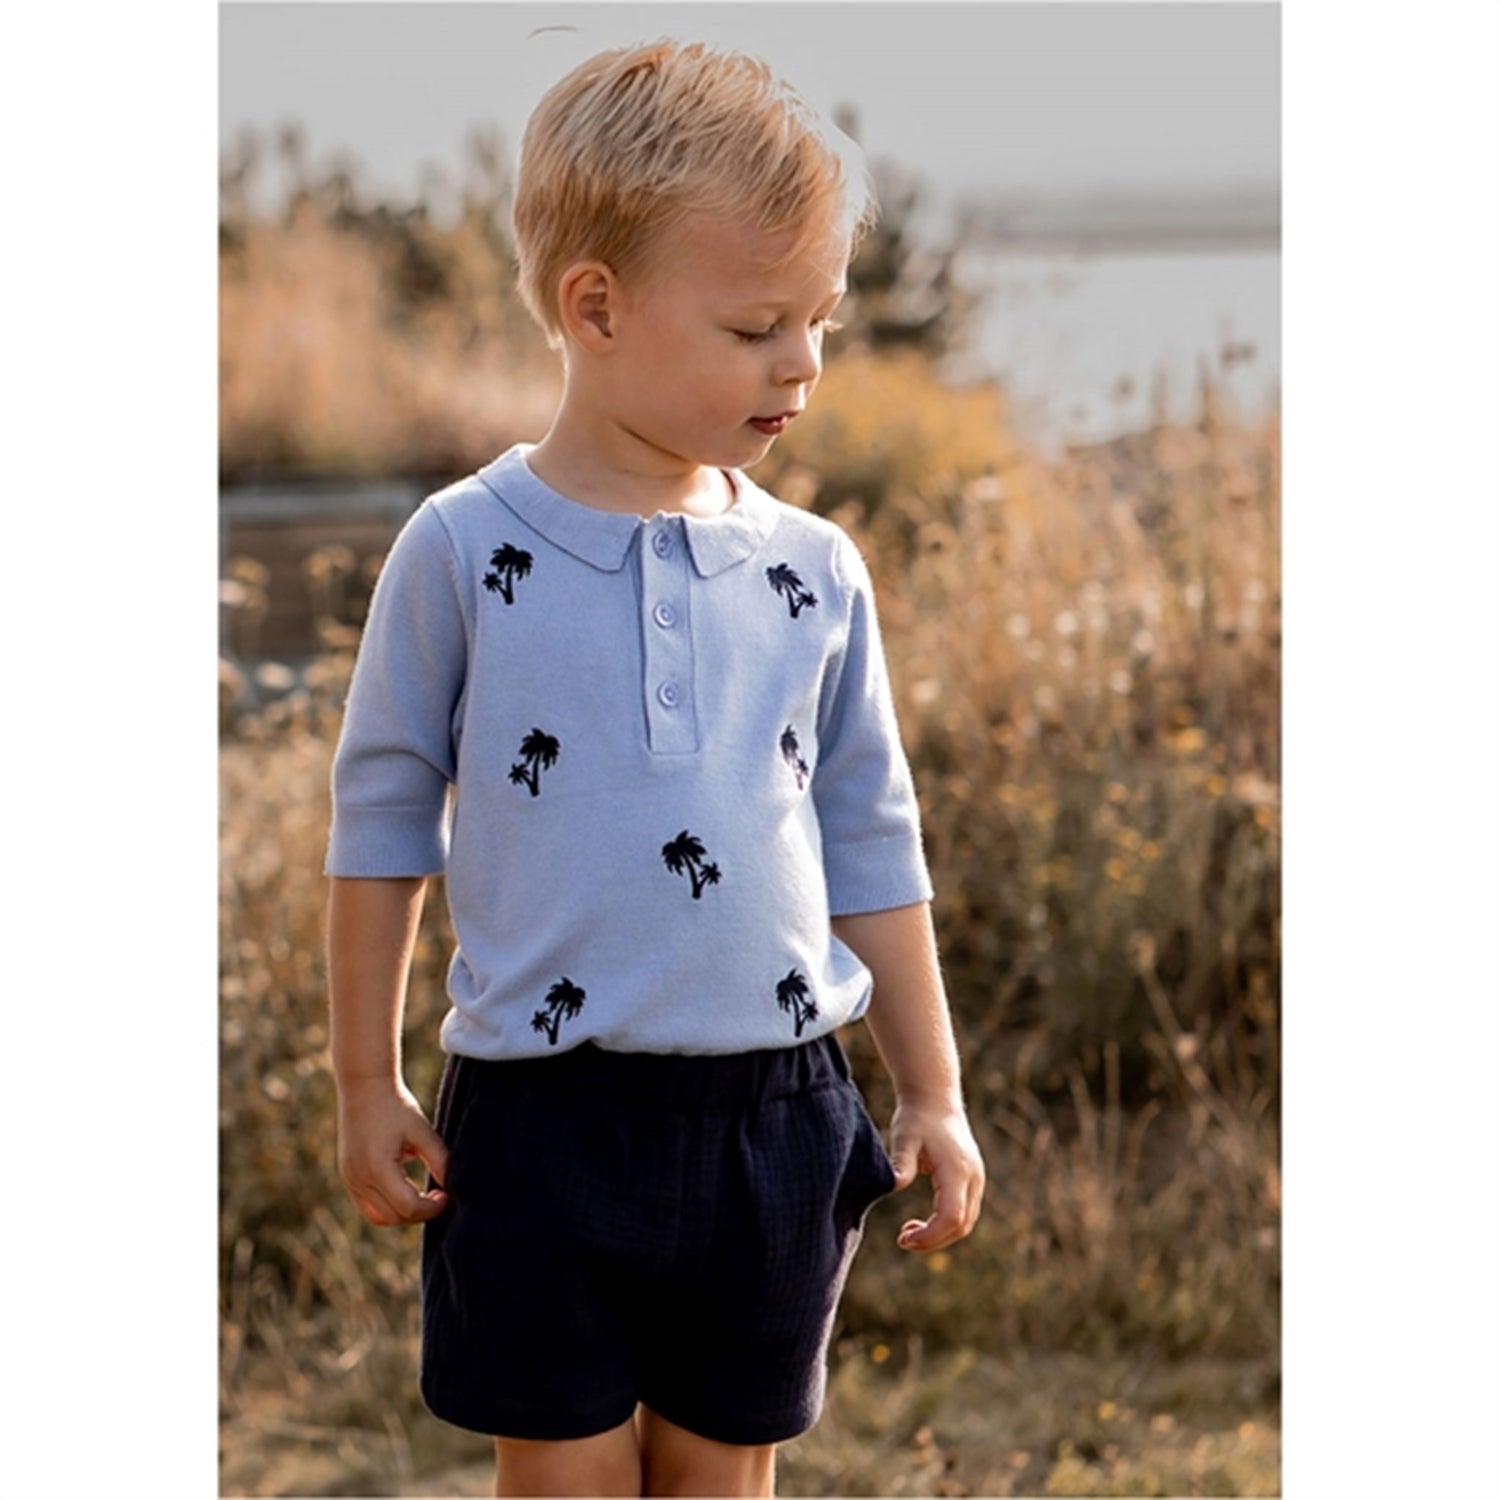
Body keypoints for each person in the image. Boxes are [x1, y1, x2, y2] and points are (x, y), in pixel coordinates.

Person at [324, 37, 985, 1498]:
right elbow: (380, 824)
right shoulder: (460, 549)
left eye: (819, 319)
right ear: (596, 307)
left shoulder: (818, 571)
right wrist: (366, 1082)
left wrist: (930, 1091)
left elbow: (873, 838)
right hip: (539, 1119)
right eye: (757, 325)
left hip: (777, 1119)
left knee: (719, 1484)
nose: (803, 362)